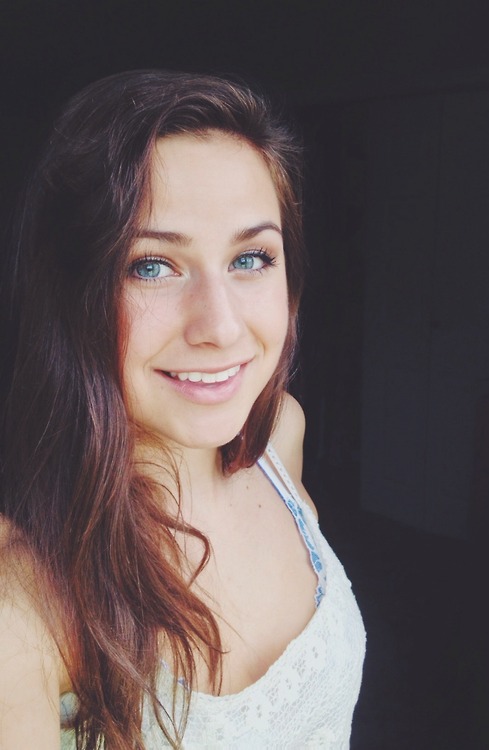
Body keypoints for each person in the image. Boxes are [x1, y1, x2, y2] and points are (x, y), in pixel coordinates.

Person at [0, 70, 365, 749]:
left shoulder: (279, 439)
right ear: (72, 292)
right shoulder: (24, 597)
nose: (220, 327)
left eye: (251, 258)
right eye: (152, 266)